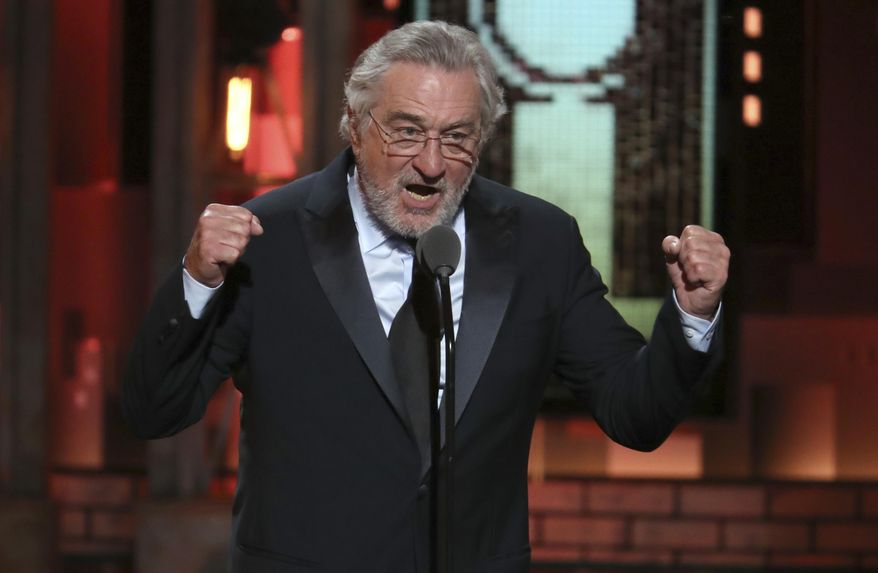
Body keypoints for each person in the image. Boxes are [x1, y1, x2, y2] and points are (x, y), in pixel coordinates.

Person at [123, 20, 729, 573]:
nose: (432, 164)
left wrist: (692, 316)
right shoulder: (270, 239)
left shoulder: (541, 243)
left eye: (457, 137)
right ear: (356, 127)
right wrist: (197, 280)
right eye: (408, 132)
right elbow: (156, 410)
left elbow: (635, 413)